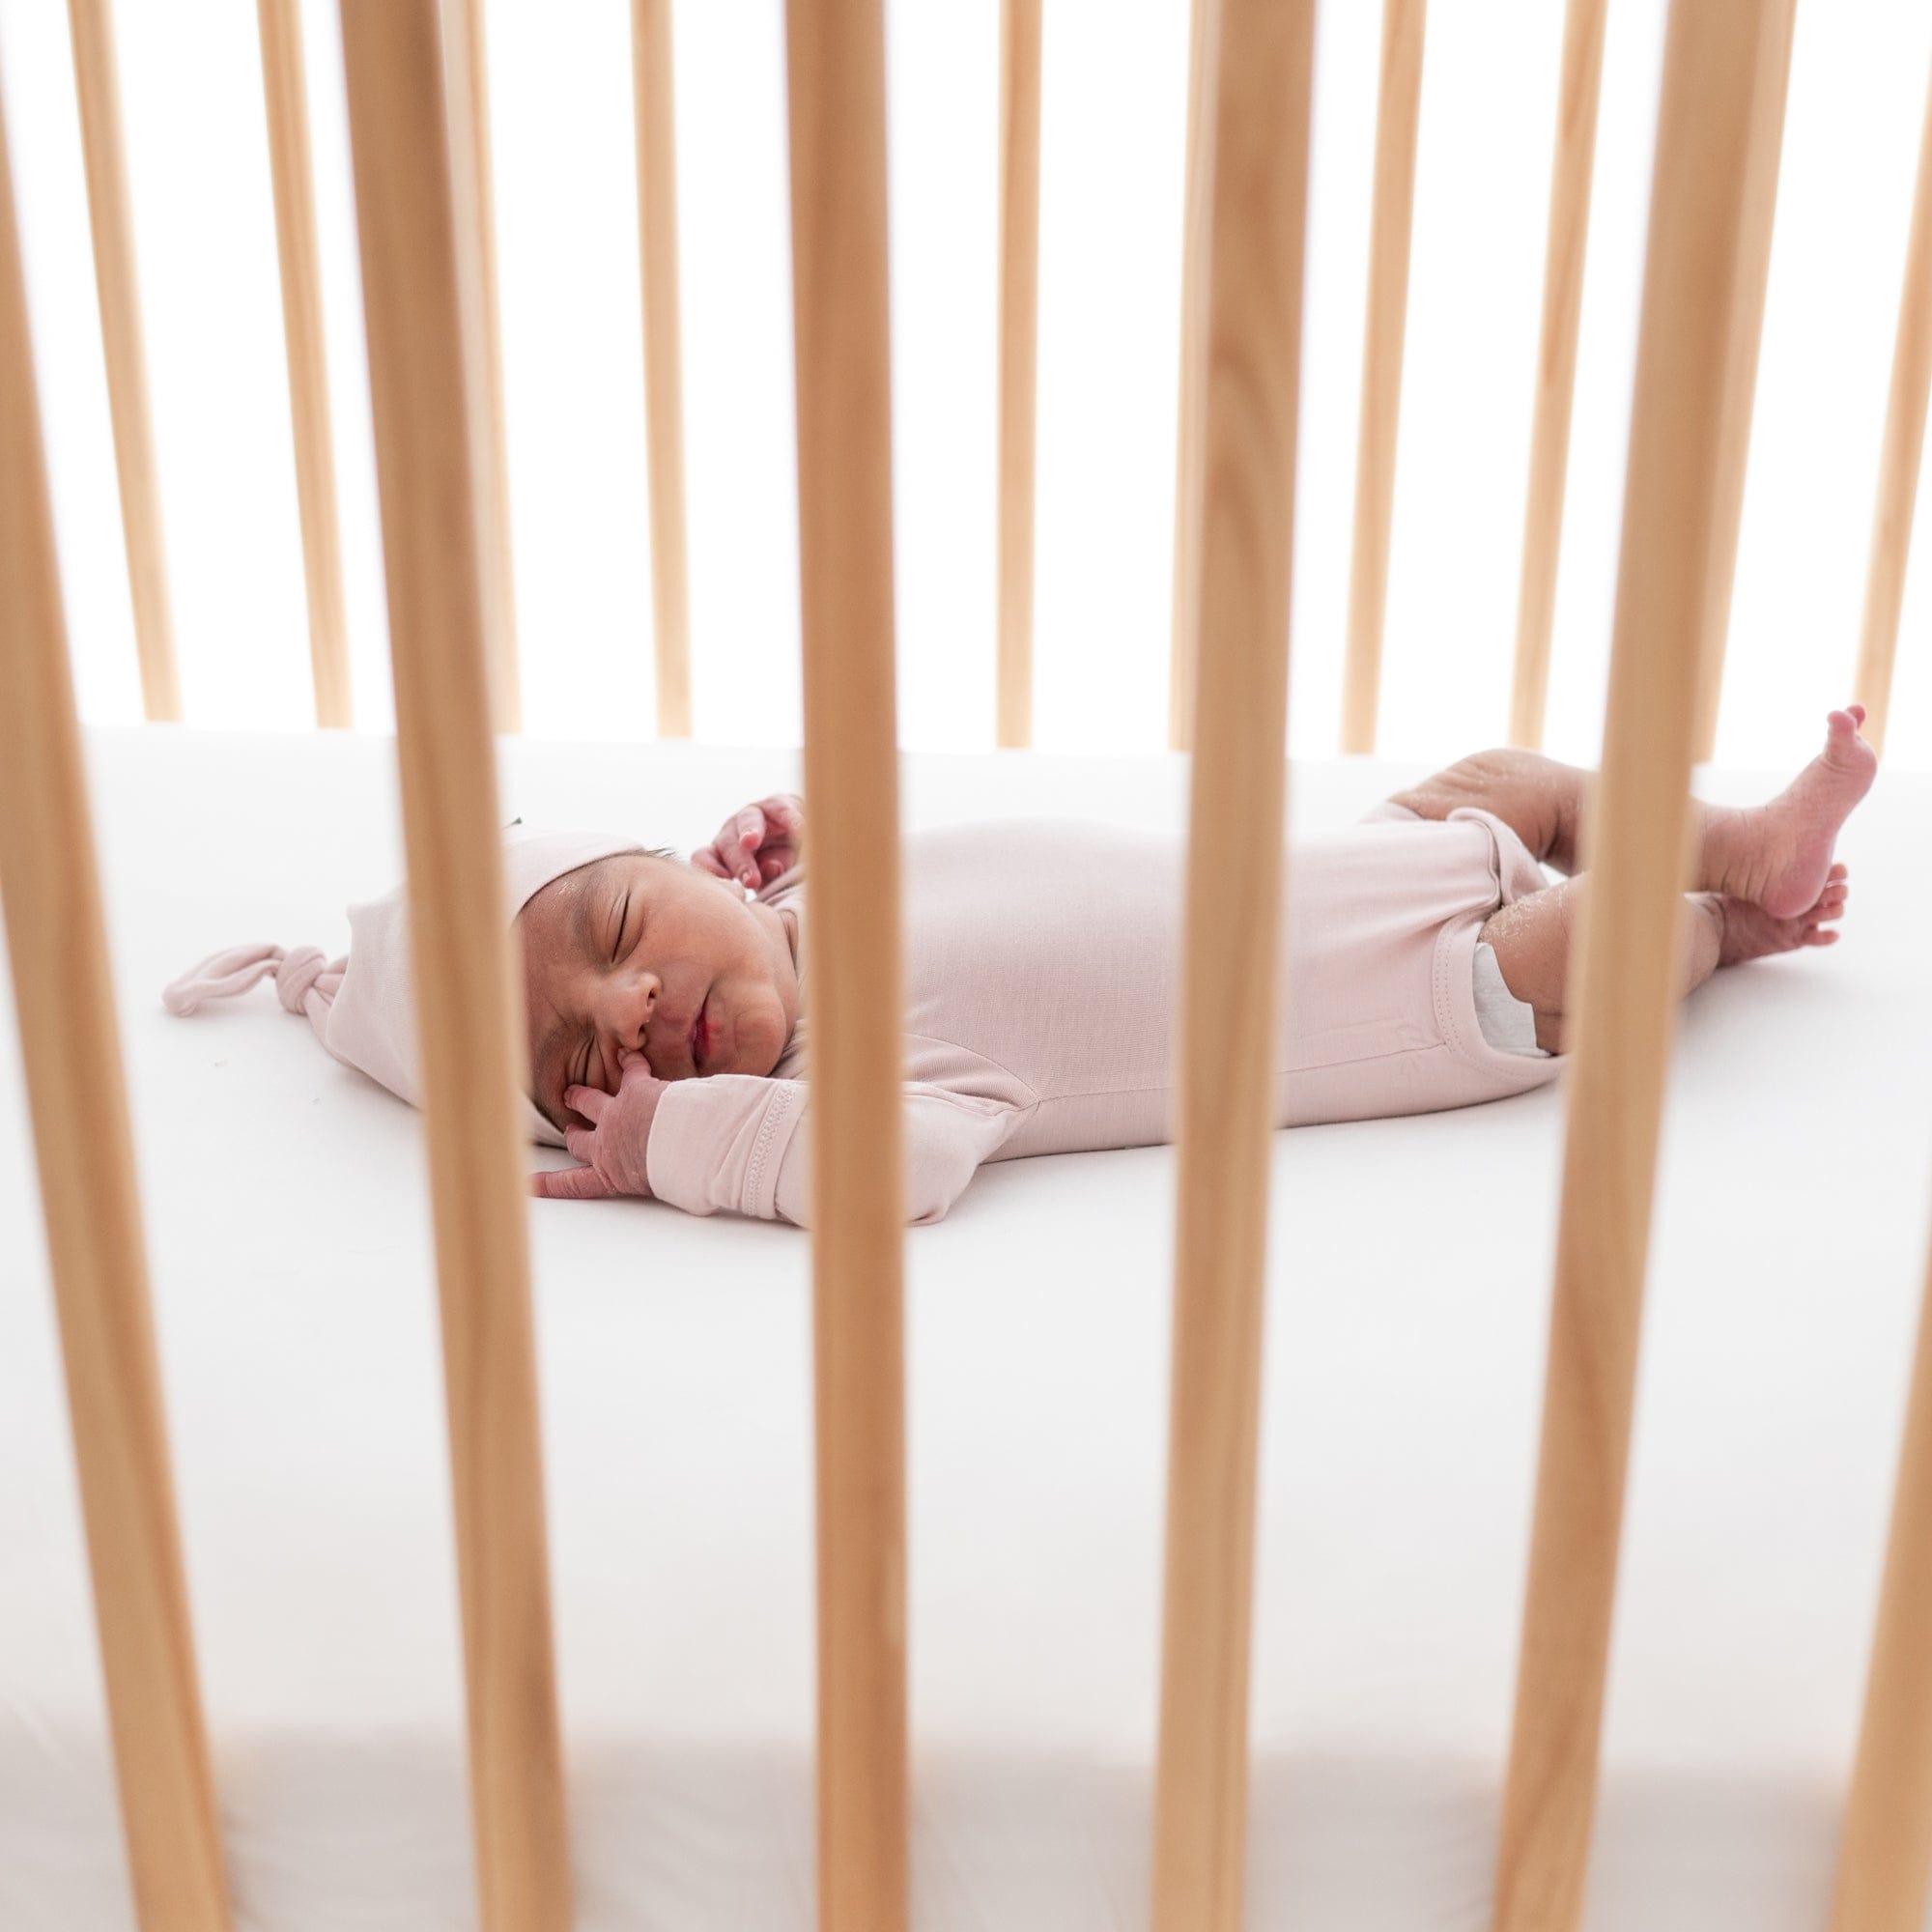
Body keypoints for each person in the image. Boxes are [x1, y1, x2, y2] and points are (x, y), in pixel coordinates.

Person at [514, 706, 1875, 1226]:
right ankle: (1728, 920)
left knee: (1510, 779)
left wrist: (793, 834)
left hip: (1346, 868)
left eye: (623, 936)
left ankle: (1745, 838)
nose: (629, 1015)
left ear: (698, 870)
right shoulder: (858, 1083)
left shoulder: (813, 899)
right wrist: (677, 1145)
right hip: (1417, 997)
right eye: (590, 1066)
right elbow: (893, 1178)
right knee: (1606, 934)